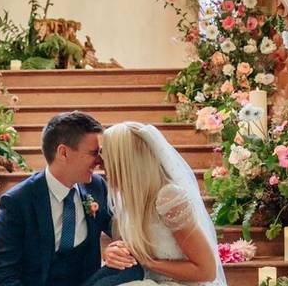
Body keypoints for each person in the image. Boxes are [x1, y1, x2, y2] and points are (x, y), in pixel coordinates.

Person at [0, 111, 144, 286]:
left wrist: (117, 249)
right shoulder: (17, 201)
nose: (100, 161)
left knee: (134, 269)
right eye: (94, 153)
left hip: (89, 283)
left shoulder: (97, 186)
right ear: (63, 153)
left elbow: (125, 232)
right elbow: (2, 275)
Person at [84, 122, 224, 286]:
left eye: (105, 156)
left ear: (125, 162)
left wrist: (149, 262)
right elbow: (130, 249)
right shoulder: (128, 197)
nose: (99, 163)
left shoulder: (167, 197)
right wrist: (113, 252)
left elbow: (206, 271)